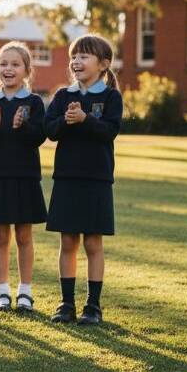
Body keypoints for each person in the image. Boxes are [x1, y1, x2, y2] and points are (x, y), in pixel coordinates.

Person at [45, 34, 122, 326]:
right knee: (68, 241)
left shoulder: (111, 97)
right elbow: (50, 130)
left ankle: (93, 305)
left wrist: (86, 120)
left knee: (93, 242)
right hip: (67, 178)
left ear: (103, 64)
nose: (76, 61)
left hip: (97, 179)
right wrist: (67, 120)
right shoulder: (64, 96)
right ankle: (66, 304)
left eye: (84, 56)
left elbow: (109, 131)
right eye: (73, 56)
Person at [0, 42, 46, 313]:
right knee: (1, 236)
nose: (8, 69)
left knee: (24, 236)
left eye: (15, 64)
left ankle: (25, 292)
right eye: (3, 64)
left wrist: (22, 126)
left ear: (26, 69)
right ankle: (2, 292)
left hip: (25, 177)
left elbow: (39, 136)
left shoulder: (34, 102)